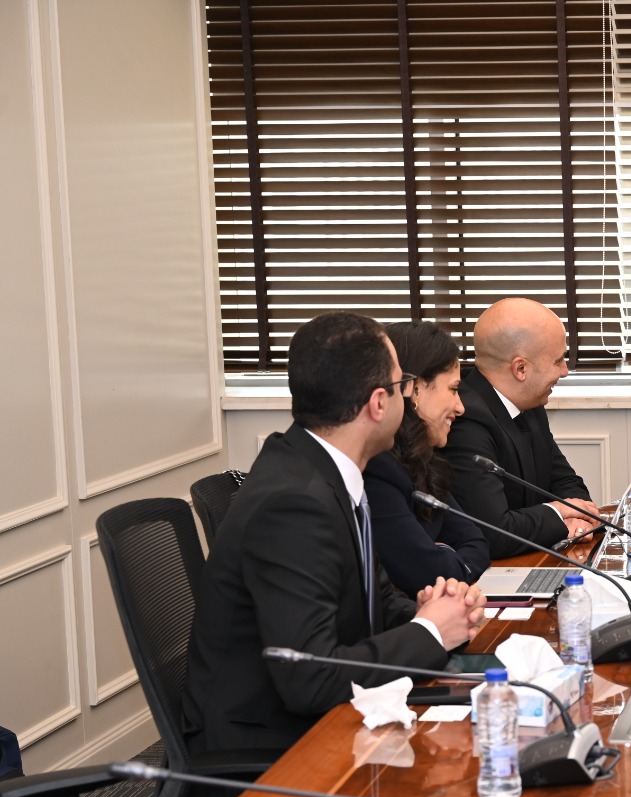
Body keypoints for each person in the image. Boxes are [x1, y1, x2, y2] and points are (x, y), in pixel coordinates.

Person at [184, 312, 484, 764]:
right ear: (378, 404)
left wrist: (436, 613)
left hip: (322, 718)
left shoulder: (323, 469)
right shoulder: (294, 502)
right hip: (264, 754)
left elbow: (371, 599)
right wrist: (429, 632)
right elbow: (311, 678)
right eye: (402, 386)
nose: (407, 398)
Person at [443, 298, 600, 557]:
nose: (564, 371)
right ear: (521, 368)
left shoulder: (529, 401)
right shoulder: (466, 421)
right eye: (558, 361)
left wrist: (578, 516)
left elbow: (565, 481)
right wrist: (560, 515)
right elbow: (495, 532)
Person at [362, 321, 490, 596]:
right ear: (415, 389)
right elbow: (427, 574)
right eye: (454, 389)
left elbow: (475, 541)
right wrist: (447, 554)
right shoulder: (377, 467)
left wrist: (441, 553)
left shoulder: (423, 459)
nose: (461, 407)